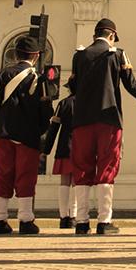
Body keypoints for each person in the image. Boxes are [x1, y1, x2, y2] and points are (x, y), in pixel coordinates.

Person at [71, 18, 136, 235]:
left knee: (82, 169)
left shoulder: (79, 55)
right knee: (107, 168)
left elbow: (73, 85)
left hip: (81, 120)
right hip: (108, 119)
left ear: (94, 35)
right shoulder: (117, 54)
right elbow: (132, 85)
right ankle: (104, 221)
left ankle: (81, 222)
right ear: (111, 36)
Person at [0, 36, 53, 235]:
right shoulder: (38, 78)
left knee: (3, 174)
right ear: (35, 56)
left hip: (5, 133)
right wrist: (40, 129)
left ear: (16, 54)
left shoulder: (4, 75)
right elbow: (45, 107)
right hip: (28, 134)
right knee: (26, 175)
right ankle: (25, 219)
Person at [43, 76, 77, 229]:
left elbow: (53, 129)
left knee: (64, 182)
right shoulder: (88, 103)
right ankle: (75, 215)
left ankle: (63, 217)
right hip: (81, 147)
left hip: (64, 146)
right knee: (78, 183)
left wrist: (46, 149)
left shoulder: (63, 103)